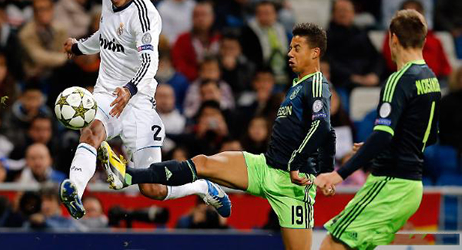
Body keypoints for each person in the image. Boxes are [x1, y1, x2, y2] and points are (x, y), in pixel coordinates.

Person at [101, 23, 336, 250]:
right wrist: (328, 171)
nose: (289, 53)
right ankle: (129, 176)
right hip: (265, 167)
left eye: (297, 48)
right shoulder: (297, 84)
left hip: (293, 186)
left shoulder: (316, 84)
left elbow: (323, 127)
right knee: (202, 162)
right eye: (290, 47)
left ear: (315, 53)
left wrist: (324, 173)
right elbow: (328, 133)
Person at [61, 0, 231, 220]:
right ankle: (74, 189)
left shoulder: (144, 15)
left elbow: (150, 62)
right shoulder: (107, 1)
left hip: (137, 101)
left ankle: (202, 187)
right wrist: (80, 47)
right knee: (91, 131)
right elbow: (106, 35)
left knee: (152, 188)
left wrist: (129, 89)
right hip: (107, 94)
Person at [316, 9, 441, 250]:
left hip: (390, 182)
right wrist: (381, 144)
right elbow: (430, 136)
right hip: (412, 187)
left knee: (332, 245)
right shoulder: (431, 79)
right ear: (423, 40)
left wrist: (337, 174)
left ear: (393, 38)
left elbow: (384, 134)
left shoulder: (399, 79)